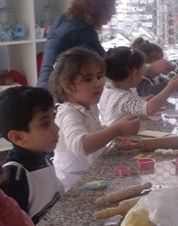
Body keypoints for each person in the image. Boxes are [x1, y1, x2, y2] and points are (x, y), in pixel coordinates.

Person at [36, 0, 173, 88]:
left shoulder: (63, 19)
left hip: (44, 87)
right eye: (112, 5)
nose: (113, 11)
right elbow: (109, 67)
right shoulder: (82, 30)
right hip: (57, 94)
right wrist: (149, 68)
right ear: (99, 6)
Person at [48, 47, 141, 191]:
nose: (98, 83)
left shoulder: (89, 106)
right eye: (88, 79)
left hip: (91, 176)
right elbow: (81, 145)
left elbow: (93, 131)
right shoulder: (68, 113)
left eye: (99, 76)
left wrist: (117, 129)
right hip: (73, 186)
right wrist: (117, 129)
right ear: (68, 87)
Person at [0, 86, 65, 224]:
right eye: (45, 124)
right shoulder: (14, 176)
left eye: (53, 118)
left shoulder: (44, 156)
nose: (56, 128)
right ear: (18, 137)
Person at [99, 46, 178, 126]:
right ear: (135, 74)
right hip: (122, 136)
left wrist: (142, 101)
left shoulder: (107, 90)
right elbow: (149, 109)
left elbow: (125, 108)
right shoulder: (123, 97)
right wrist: (170, 88)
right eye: (142, 70)